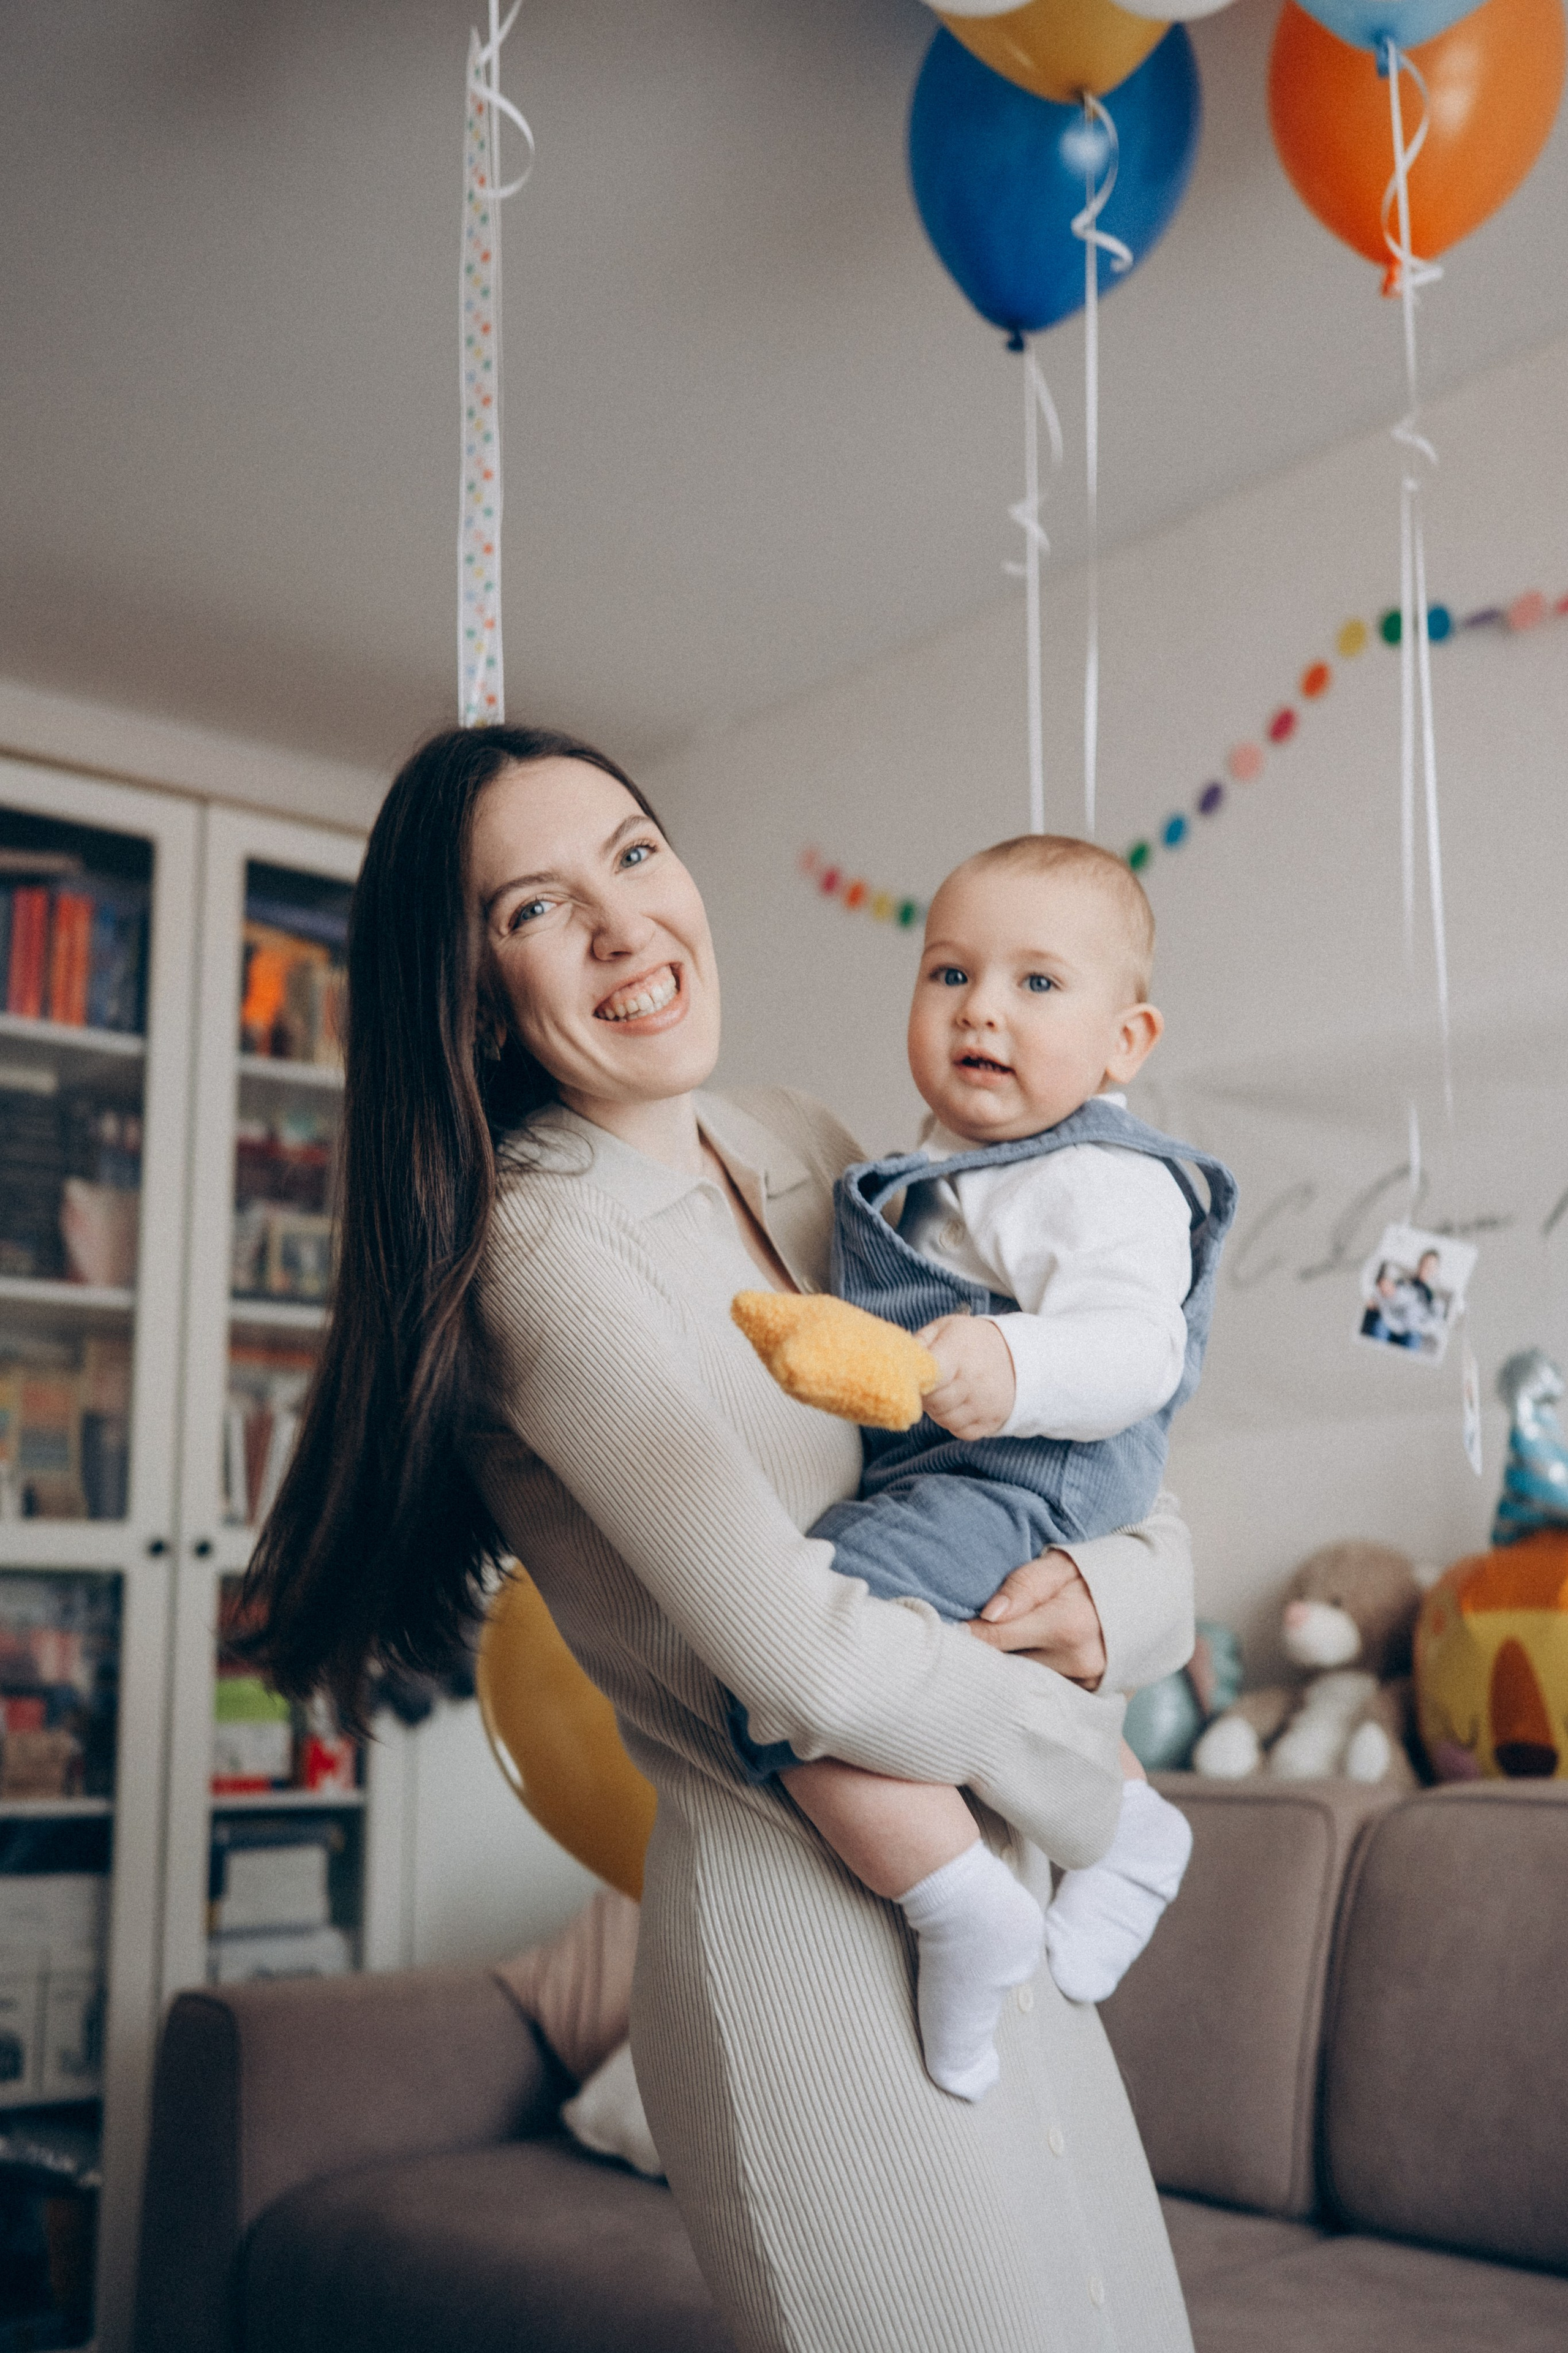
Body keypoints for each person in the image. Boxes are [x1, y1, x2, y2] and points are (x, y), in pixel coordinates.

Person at [243, 726, 1197, 2353]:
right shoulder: (538, 1252)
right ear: (474, 994)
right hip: (814, 1938)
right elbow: (793, 1648)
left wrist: (1120, 1599)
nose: (623, 926)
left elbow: (1104, 1455)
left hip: (1011, 1914)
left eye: (631, 853)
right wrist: (1096, 1788)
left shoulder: (819, 1144)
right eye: (536, 907)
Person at [732, 836, 1234, 2098]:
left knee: (799, 1645)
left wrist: (1004, 1366)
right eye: (948, 973)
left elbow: (1138, 1344)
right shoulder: (954, 1165)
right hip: (973, 1470)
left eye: (1036, 984)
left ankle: (958, 1900)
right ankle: (1124, 1827)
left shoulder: (1095, 1177)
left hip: (1031, 1471)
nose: (981, 1009)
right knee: (944, 1657)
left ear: (1126, 1043)